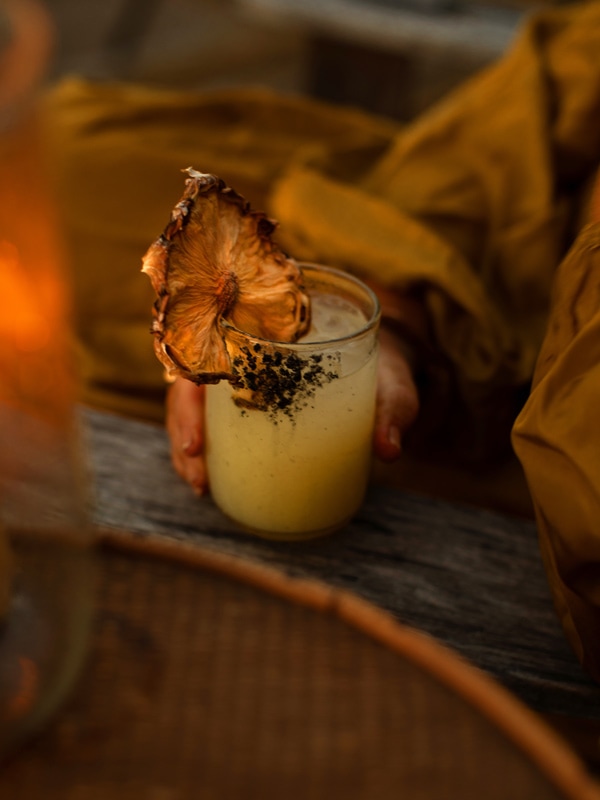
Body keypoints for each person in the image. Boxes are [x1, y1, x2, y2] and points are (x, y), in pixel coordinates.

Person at [42, 1, 600, 682]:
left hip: (525, 474)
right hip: (499, 229)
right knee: (50, 166)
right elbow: (563, 78)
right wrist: (398, 314)